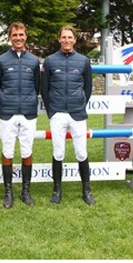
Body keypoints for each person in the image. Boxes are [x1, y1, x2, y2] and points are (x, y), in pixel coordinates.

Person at [40, 25, 95, 206]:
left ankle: (86, 190)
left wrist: (79, 103)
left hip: (77, 113)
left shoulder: (84, 61)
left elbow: (87, 88)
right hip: (57, 113)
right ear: (59, 39)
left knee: (81, 152)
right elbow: (45, 89)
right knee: (58, 152)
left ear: (74, 40)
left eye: (69, 37)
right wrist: (52, 111)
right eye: (63, 37)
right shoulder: (49, 61)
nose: (66, 40)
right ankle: (57, 190)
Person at [0, 21, 40, 209]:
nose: (18, 38)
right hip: (7, 113)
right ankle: (8, 192)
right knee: (7, 152)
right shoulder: (2, 60)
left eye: (21, 34)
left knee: (27, 152)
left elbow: (37, 86)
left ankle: (26, 192)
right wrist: (3, 102)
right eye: (14, 35)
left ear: (26, 36)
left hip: (28, 113)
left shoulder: (34, 61)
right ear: (10, 37)